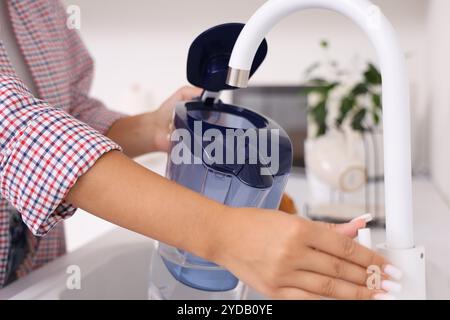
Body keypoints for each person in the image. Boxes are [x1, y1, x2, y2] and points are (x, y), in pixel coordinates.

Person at [0, 0, 400, 299]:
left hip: (34, 275)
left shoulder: (41, 7)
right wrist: (223, 233)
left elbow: (68, 112)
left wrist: (149, 129)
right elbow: (16, 131)